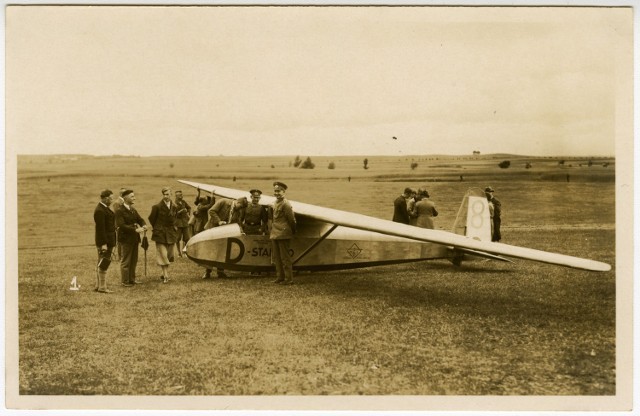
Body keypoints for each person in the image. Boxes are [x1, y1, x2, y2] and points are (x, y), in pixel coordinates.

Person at [115, 189, 147, 287]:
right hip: (125, 239)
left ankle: (132, 279)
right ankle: (125, 281)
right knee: (126, 260)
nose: (134, 198)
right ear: (125, 198)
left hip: (134, 239)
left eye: (134, 196)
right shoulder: (119, 211)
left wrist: (144, 224)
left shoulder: (132, 209)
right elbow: (122, 225)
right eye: (132, 196)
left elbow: (140, 219)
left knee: (134, 260)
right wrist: (135, 230)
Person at [148, 187, 178, 283]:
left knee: (169, 255)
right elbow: (151, 218)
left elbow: (175, 218)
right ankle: (165, 275)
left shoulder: (175, 206)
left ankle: (163, 272)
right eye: (164, 194)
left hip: (171, 233)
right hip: (160, 233)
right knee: (163, 254)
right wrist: (158, 227)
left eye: (168, 194)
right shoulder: (156, 207)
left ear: (171, 194)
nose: (166, 196)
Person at [270, 181, 296, 285]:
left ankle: (289, 279)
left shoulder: (286, 204)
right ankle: (280, 277)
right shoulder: (275, 202)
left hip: (283, 233)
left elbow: (291, 220)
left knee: (285, 258)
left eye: (278, 191)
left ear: (283, 192)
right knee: (277, 257)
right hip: (275, 232)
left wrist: (293, 231)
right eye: (275, 191)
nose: (276, 193)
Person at [202, 197, 235, 279]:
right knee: (211, 251)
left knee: (222, 251)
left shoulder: (235, 209)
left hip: (222, 231)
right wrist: (219, 221)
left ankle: (220, 272)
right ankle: (207, 272)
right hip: (212, 229)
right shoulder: (222, 202)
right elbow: (211, 211)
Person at [94, 189, 116, 293]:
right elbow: (100, 229)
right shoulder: (100, 210)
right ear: (106, 198)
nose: (112, 200)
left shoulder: (104, 208)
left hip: (107, 241)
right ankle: (102, 287)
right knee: (104, 263)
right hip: (105, 242)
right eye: (111, 198)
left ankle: (98, 286)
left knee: (101, 262)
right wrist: (103, 244)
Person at [110, 188, 128, 261]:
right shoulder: (117, 203)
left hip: (126, 225)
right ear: (121, 194)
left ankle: (125, 256)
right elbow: (117, 215)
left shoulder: (125, 202)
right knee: (120, 241)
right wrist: (117, 226)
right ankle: (120, 257)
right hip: (120, 225)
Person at [173, 189, 191, 257]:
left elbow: (189, 208)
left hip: (185, 223)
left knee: (187, 238)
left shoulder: (183, 202)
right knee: (177, 239)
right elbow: (173, 214)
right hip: (178, 223)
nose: (181, 196)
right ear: (176, 196)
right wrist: (181, 211)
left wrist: (188, 214)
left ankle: (185, 251)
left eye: (181, 194)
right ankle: (179, 253)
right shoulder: (174, 204)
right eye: (180, 195)